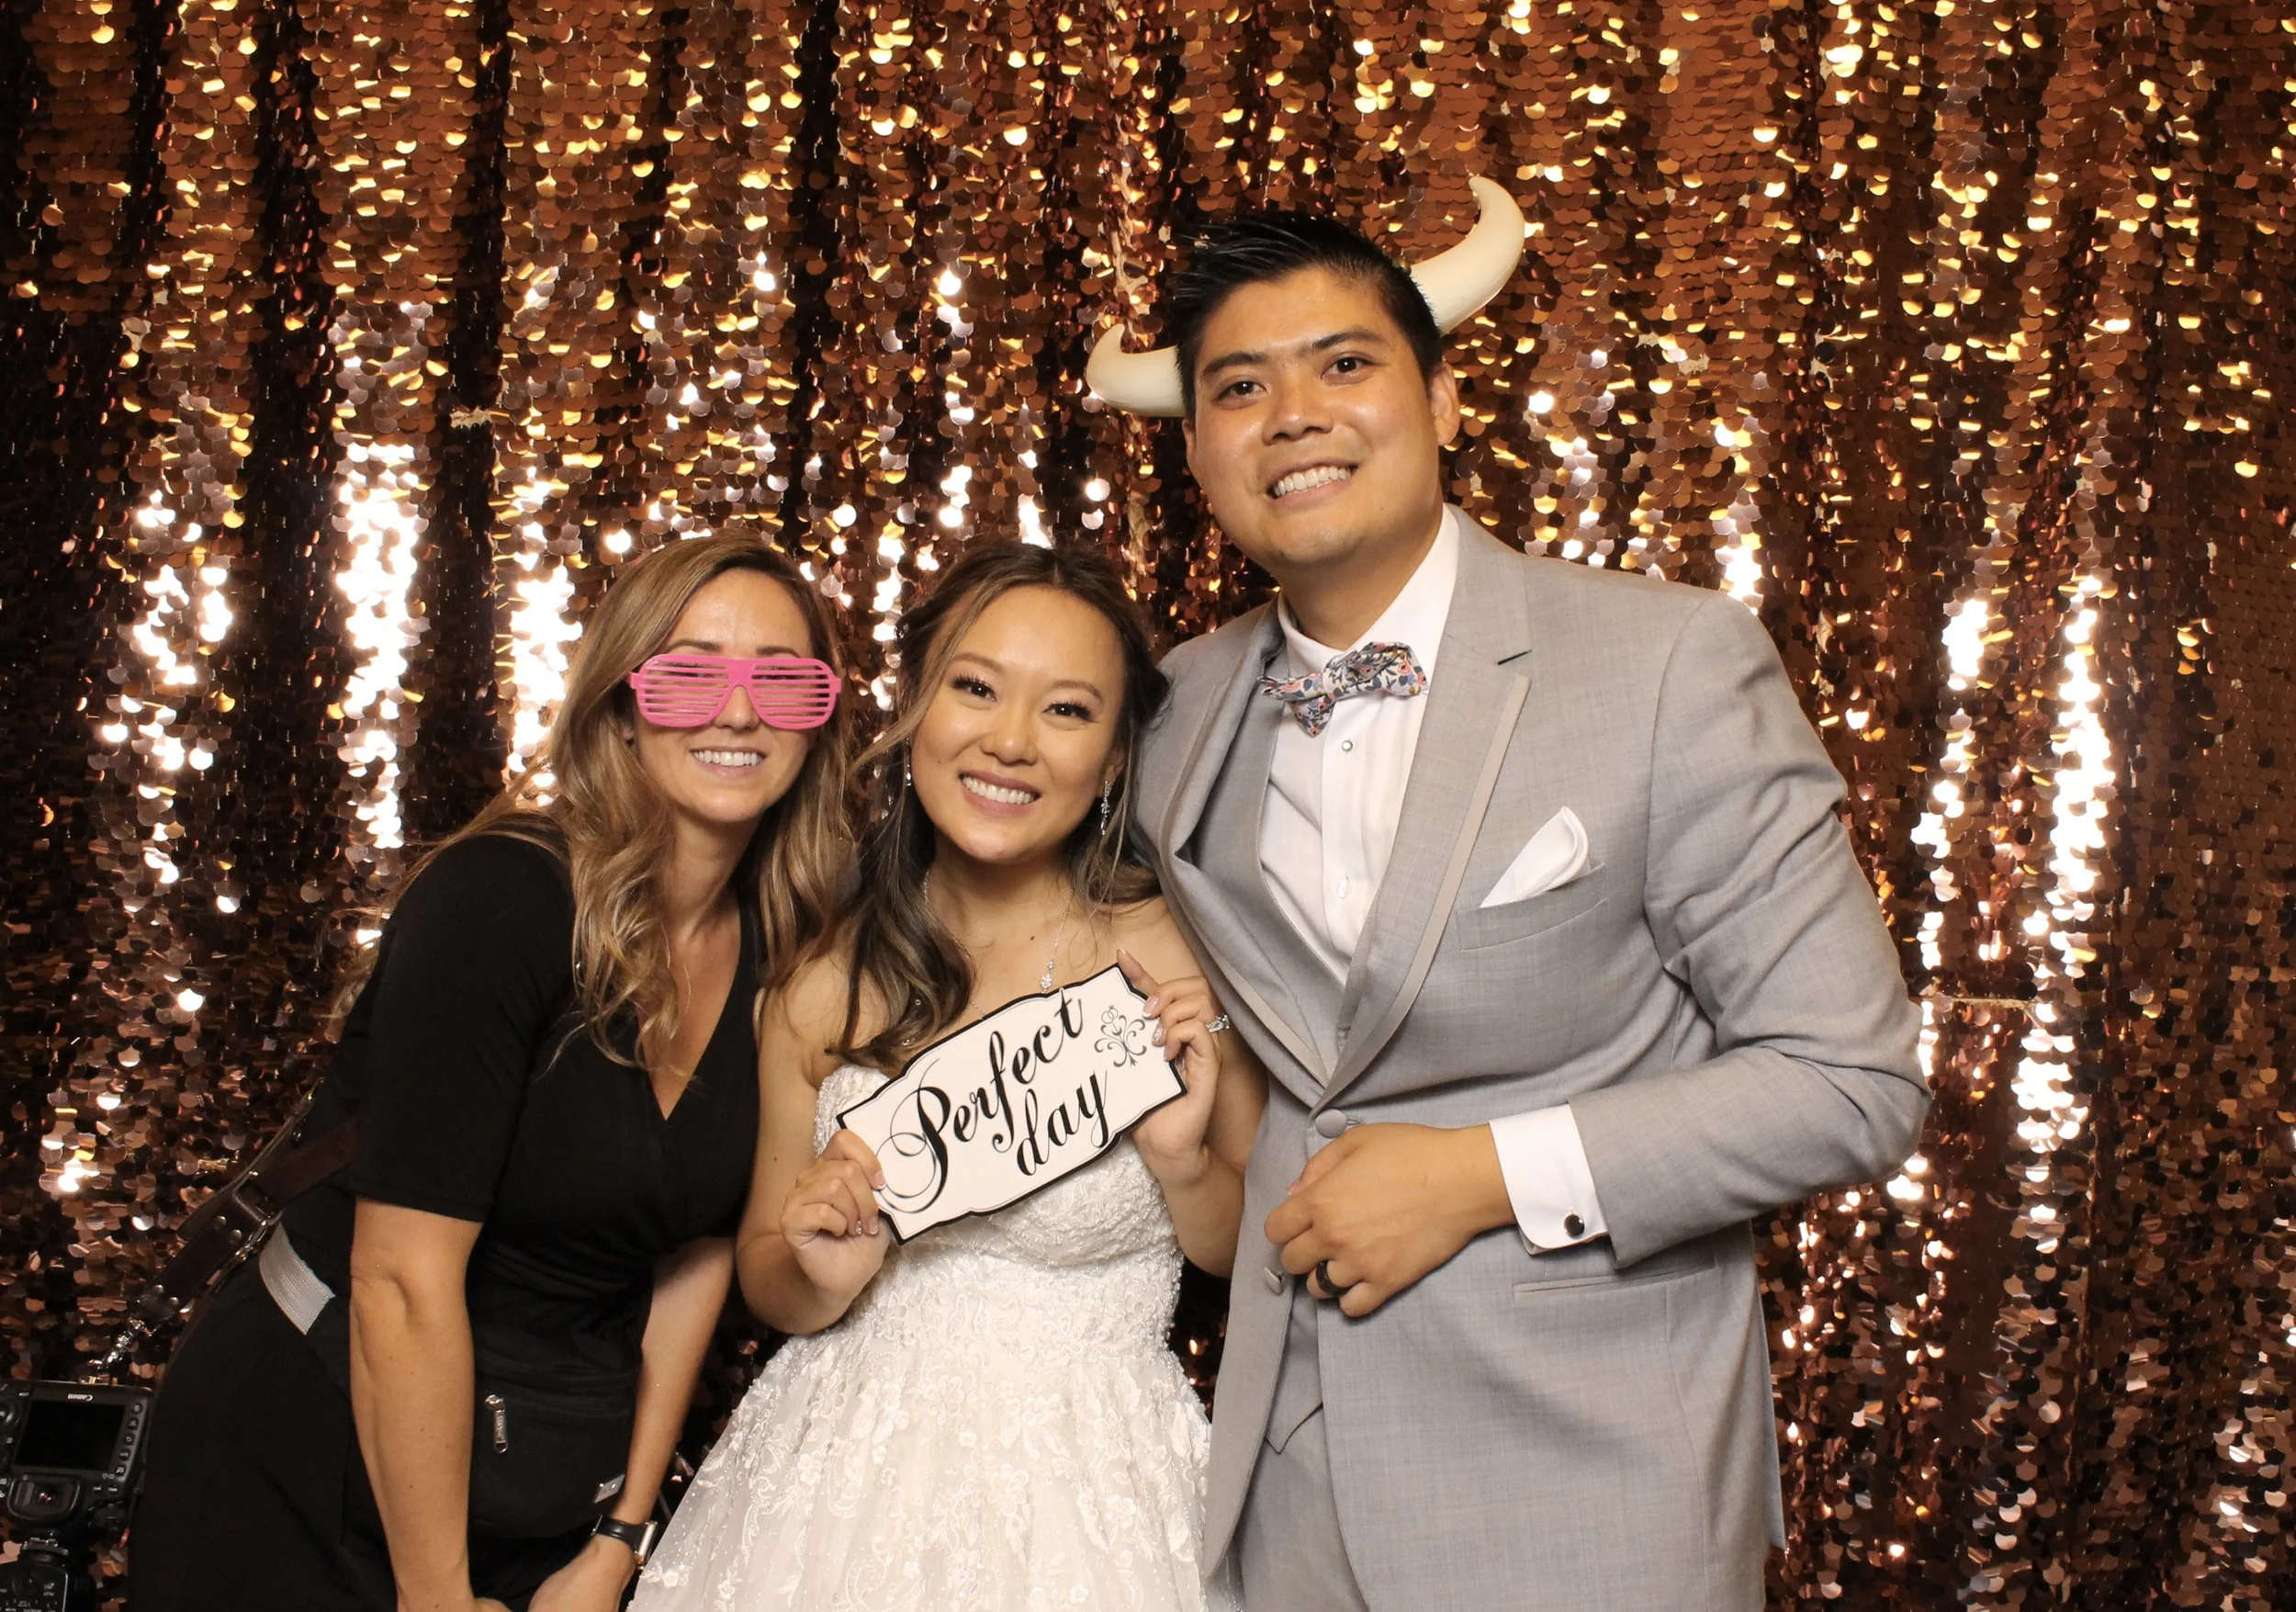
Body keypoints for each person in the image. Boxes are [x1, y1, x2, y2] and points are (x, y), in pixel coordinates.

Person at [1086, 189, 1930, 1608]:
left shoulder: (1668, 665)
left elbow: (1850, 1081)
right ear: (1199, 450)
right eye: (1240, 387)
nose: (1293, 414)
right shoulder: (1177, 706)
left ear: (1443, 397)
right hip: (1287, 1478)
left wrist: (1475, 1174)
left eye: (1343, 362)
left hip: (1588, 1480)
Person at [130, 534, 854, 1612]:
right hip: (315, 1445)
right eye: (689, 674)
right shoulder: (500, 900)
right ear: (622, 703)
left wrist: (619, 1535)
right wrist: (435, 1595)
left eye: (784, 682)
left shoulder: (783, 949)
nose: (739, 712)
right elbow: (400, 1280)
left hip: (534, 1473)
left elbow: (691, 1258)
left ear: (820, 719)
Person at [632, 542, 1263, 1611]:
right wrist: (820, 1267)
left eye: (1066, 711)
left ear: (1115, 758)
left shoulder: (1177, 960)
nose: (1008, 741)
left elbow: (1242, 1248)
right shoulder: (821, 982)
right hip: (831, 1495)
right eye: (975, 689)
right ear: (915, 708)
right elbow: (767, 1274)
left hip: (1094, 1497)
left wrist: (1185, 1163)